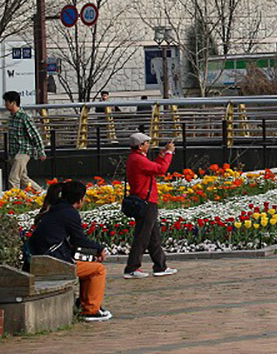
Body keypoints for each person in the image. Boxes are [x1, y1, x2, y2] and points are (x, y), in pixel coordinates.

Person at [27, 180, 112, 321]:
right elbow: (78, 240)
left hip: (42, 259)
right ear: (80, 199)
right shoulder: (69, 213)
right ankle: (90, 310)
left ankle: (85, 303)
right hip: (52, 262)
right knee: (98, 270)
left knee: (90, 266)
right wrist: (99, 248)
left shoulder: (56, 209)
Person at [123, 132, 177, 279]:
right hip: (145, 201)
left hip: (145, 200)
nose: (149, 145)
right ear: (140, 146)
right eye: (147, 143)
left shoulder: (136, 158)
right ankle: (132, 267)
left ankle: (160, 266)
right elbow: (161, 170)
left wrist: (162, 155)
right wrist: (169, 154)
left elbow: (155, 167)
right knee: (142, 236)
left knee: (153, 236)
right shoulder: (138, 159)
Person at [4, 91, 45, 191]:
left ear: (13, 102)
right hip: (15, 152)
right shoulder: (11, 118)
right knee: (23, 178)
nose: (5, 104)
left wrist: (41, 151)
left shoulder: (24, 117)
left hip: (24, 151)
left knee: (13, 178)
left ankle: (15, 200)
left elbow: (35, 135)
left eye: (7, 102)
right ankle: (41, 193)